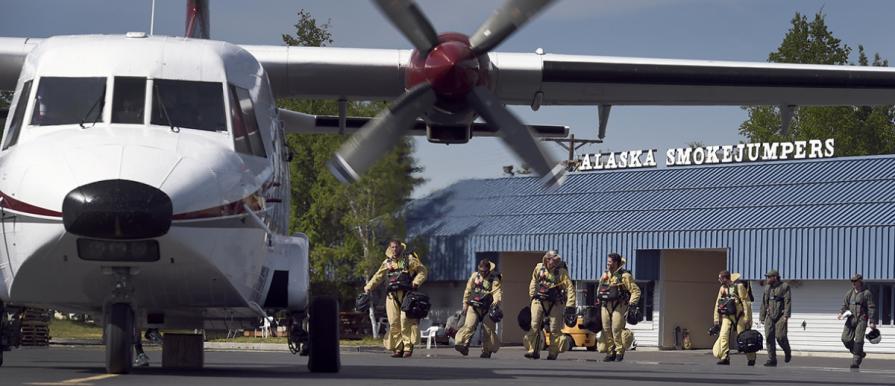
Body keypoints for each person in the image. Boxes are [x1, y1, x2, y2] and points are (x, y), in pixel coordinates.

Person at [363, 240, 428, 358]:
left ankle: (408, 347)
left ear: (400, 248)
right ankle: (398, 348)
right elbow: (378, 276)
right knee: (394, 323)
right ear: (389, 248)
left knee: (405, 320)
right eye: (392, 247)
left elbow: (422, 271)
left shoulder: (409, 259)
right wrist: (368, 287)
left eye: (396, 247)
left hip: (407, 295)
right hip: (391, 296)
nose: (394, 249)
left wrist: (415, 283)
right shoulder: (387, 262)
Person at [523, 250, 575, 360]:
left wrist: (570, 305)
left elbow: (569, 287)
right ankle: (533, 350)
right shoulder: (539, 268)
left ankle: (553, 352)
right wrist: (532, 296)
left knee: (555, 329)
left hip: (555, 303)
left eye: (557, 260)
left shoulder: (561, 272)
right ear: (547, 259)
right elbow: (533, 281)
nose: (555, 262)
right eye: (553, 260)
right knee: (534, 325)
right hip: (539, 301)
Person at [596, 252, 641, 362]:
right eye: (607, 262)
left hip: (619, 305)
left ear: (616, 263)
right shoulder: (605, 275)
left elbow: (636, 291)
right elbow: (599, 289)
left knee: (616, 329)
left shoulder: (625, 276)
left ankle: (619, 352)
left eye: (610, 262)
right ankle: (610, 352)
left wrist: (631, 304)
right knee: (606, 329)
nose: (608, 264)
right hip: (605, 305)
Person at [454, 258, 502, 358]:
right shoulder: (474, 276)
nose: (482, 273)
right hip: (474, 306)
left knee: (487, 330)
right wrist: (465, 303)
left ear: (489, 269)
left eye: (484, 271)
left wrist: (496, 302)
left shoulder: (495, 278)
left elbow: (497, 292)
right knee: (469, 325)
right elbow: (468, 289)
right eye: (480, 270)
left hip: (487, 308)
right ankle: (463, 345)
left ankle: (487, 350)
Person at [712, 270, 756, 366]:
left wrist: (747, 318)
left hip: (739, 315)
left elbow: (746, 302)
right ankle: (725, 357)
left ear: (725, 278)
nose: (719, 280)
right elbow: (717, 303)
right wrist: (716, 319)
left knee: (744, 337)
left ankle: (751, 357)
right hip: (727, 316)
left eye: (720, 278)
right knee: (723, 335)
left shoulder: (739, 287)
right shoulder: (722, 289)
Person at [837, 273, 877, 369]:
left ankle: (856, 362)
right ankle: (859, 352)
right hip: (850, 319)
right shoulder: (849, 293)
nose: (853, 283)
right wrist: (840, 313)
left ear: (860, 281)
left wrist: (871, 321)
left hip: (861, 319)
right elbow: (844, 305)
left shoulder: (866, 293)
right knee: (845, 338)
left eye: (855, 281)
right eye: (852, 281)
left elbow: (871, 307)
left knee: (859, 341)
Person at [760, 269, 792, 367]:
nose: (767, 279)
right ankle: (772, 359)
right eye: (767, 277)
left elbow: (788, 301)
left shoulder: (784, 287)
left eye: (769, 277)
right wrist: (762, 316)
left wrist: (786, 315)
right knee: (769, 336)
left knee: (780, 336)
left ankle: (787, 351)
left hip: (781, 316)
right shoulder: (767, 288)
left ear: (775, 277)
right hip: (770, 316)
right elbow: (764, 303)